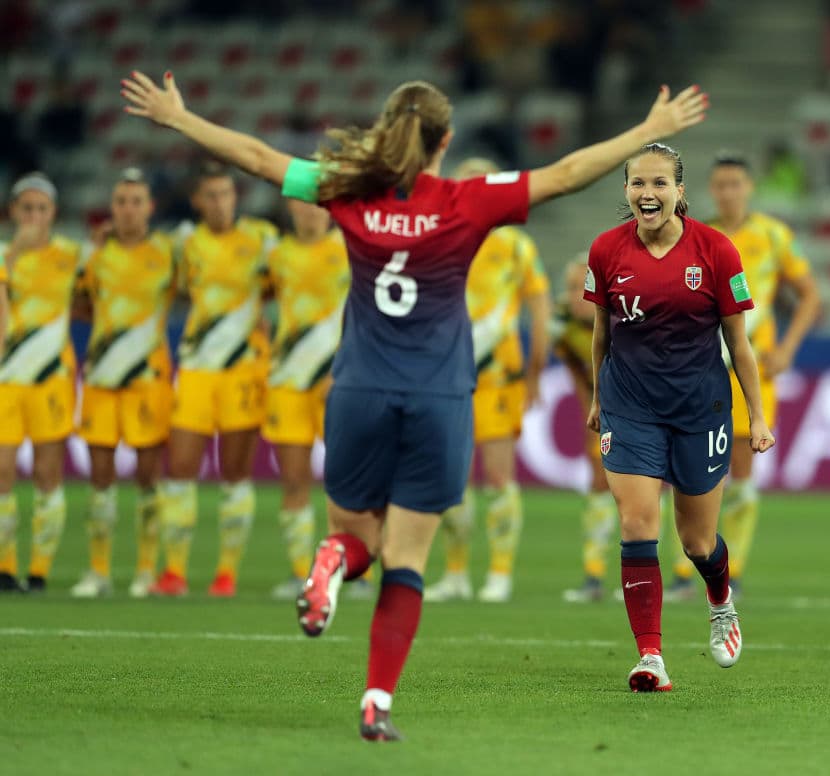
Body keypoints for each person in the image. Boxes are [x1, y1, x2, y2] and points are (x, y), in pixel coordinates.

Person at [122, 69, 707, 740]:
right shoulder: (466, 200)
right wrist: (648, 132)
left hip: (359, 391)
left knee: (358, 537)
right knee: (406, 561)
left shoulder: (346, 188)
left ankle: (335, 559)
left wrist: (180, 118)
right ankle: (376, 702)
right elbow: (568, 172)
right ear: (446, 139)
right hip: (438, 397)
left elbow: (258, 159)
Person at [583, 142, 775, 693]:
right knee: (638, 523)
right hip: (630, 403)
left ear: (680, 191)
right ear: (626, 191)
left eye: (659, 184)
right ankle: (650, 657)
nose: (648, 194)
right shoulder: (605, 252)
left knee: (697, 542)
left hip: (700, 407)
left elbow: (739, 345)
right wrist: (599, 397)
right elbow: (603, 332)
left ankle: (720, 600)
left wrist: (756, 417)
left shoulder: (716, 251)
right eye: (638, 184)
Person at [666, 151, 820, 600]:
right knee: (692, 470)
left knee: (742, 472)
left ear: (749, 187)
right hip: (700, 366)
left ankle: (732, 570)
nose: (727, 192)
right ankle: (684, 568)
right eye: (720, 185)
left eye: (735, 184)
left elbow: (810, 296)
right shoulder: (696, 235)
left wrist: (788, 348)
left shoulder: (773, 236)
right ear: (707, 191)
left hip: (751, 367)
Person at [149, 160, 278, 598]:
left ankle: (226, 575)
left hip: (244, 370)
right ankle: (175, 572)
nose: (221, 203)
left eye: (227, 194)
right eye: (212, 196)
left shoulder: (262, 239)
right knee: (180, 470)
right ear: (197, 201)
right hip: (198, 368)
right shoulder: (184, 244)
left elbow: (285, 284)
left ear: (235, 197)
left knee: (235, 474)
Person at [424, 157, 550, 604]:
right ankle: (455, 573)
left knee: (498, 477)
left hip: (497, 379)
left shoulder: (515, 245)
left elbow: (539, 309)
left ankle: (499, 574)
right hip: (446, 377)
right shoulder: (437, 239)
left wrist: (535, 370)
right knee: (450, 480)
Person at [70, 168, 176, 598]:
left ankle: (146, 570)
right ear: (111, 210)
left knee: (149, 479)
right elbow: (77, 303)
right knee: (99, 477)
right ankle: (98, 571)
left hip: (149, 381)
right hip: (101, 378)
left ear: (149, 207)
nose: (128, 209)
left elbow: (194, 294)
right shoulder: (95, 256)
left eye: (136, 201)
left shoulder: (168, 253)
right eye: (121, 202)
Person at [262, 198, 350, 601]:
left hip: (337, 380)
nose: (311, 212)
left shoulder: (349, 250)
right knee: (294, 480)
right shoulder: (276, 255)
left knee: (346, 481)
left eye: (317, 205)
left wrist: (350, 365)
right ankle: (304, 573)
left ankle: (352, 571)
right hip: (288, 380)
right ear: (291, 210)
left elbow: (365, 312)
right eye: (303, 205)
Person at [0, 172, 81, 593]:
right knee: (2, 471)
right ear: (13, 212)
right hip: (5, 380)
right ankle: (5, 566)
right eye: (25, 209)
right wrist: (12, 253)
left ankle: (40, 569)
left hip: (51, 379)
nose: (33, 217)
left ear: (53, 214)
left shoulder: (71, 255)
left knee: (49, 474)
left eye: (41, 209)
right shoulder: (0, 255)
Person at [556, 256, 618, 603]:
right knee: (598, 483)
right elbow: (577, 369)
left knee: (647, 491)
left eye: (583, 289)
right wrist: (591, 413)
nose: (576, 296)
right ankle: (593, 577)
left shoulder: (618, 318)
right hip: (605, 406)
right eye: (570, 288)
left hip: (642, 406)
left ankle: (671, 576)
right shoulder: (560, 320)